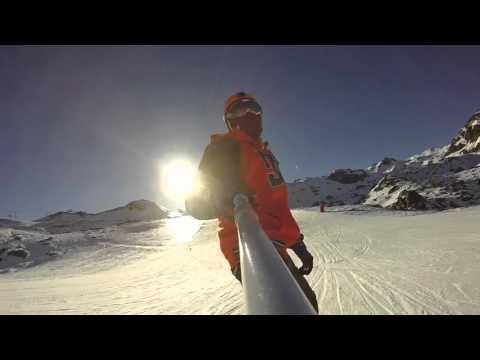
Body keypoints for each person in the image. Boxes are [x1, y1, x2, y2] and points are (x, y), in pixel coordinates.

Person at [185, 92, 318, 313]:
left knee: (308, 302)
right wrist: (224, 198)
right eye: (238, 110)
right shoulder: (223, 149)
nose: (247, 114)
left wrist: (298, 245)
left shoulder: (266, 154)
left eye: (253, 108)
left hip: (276, 246)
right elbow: (195, 204)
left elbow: (277, 208)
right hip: (249, 246)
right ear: (229, 120)